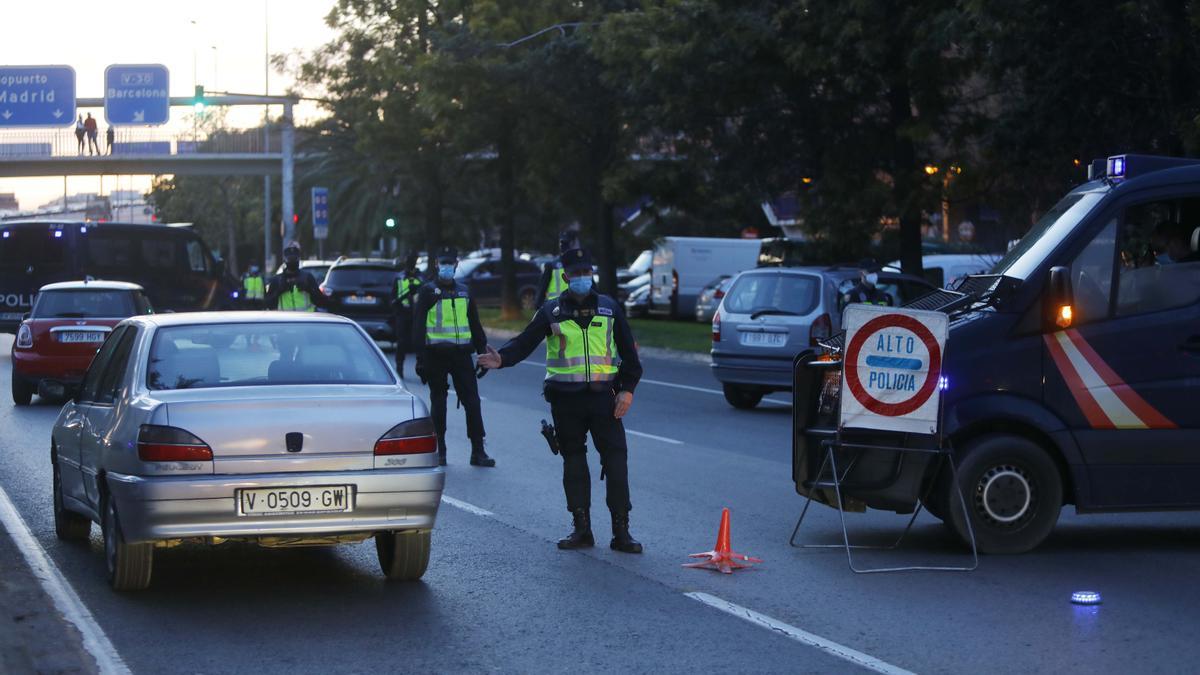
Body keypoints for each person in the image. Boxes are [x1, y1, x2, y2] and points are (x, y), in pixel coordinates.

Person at [478, 248, 644, 553]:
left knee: (616, 463)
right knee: (574, 464)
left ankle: (622, 532)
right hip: (566, 403)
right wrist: (501, 359)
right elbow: (524, 343)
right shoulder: (551, 312)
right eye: (576, 274)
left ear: (591, 274)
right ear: (566, 277)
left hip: (604, 402)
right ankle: (582, 529)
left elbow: (631, 360)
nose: (582, 278)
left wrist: (627, 389)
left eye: (586, 272)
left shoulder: (609, 309)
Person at [412, 247, 494, 467]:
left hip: (462, 356)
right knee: (439, 402)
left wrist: (483, 354)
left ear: (456, 265)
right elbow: (418, 325)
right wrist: (420, 359)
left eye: (451, 263)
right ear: (437, 265)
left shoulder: (464, 292)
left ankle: (478, 451)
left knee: (473, 403)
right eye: (443, 263)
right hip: (435, 356)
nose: (447, 267)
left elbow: (475, 325)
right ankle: (440, 451)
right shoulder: (428, 292)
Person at [264, 242, 329, 312]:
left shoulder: (307, 278)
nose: (292, 261)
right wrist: (279, 291)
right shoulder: (277, 280)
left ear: (299, 259)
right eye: (289, 259)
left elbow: (322, 302)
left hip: (306, 320)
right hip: (285, 320)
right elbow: (267, 304)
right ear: (284, 260)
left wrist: (309, 289)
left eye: (295, 258)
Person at [391, 253, 424, 379]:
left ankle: (421, 367)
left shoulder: (421, 277)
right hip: (403, 313)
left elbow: (426, 292)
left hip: (417, 314)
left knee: (419, 342)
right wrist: (397, 309)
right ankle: (399, 368)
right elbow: (393, 296)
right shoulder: (399, 277)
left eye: (414, 261)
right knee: (402, 342)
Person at [535, 230, 580, 309]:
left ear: (572, 243)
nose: (563, 245)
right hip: (554, 307)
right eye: (562, 243)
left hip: (572, 306)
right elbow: (542, 290)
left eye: (566, 243)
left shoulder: (579, 266)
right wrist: (539, 308)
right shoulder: (551, 266)